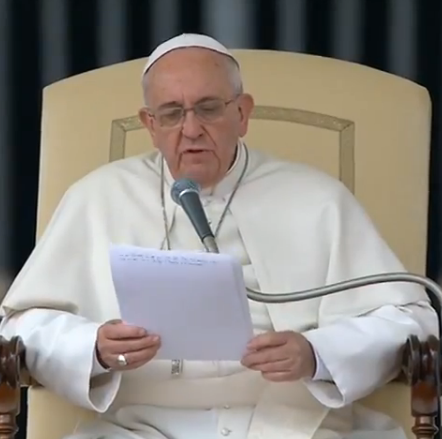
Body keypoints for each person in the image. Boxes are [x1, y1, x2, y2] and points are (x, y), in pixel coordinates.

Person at [0, 33, 438, 439]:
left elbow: (412, 320)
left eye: (209, 108)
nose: (190, 130)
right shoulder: (96, 198)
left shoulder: (318, 198)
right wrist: (91, 346)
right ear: (149, 124)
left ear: (242, 113)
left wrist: (318, 353)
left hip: (299, 424)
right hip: (137, 426)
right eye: (171, 114)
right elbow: (21, 328)